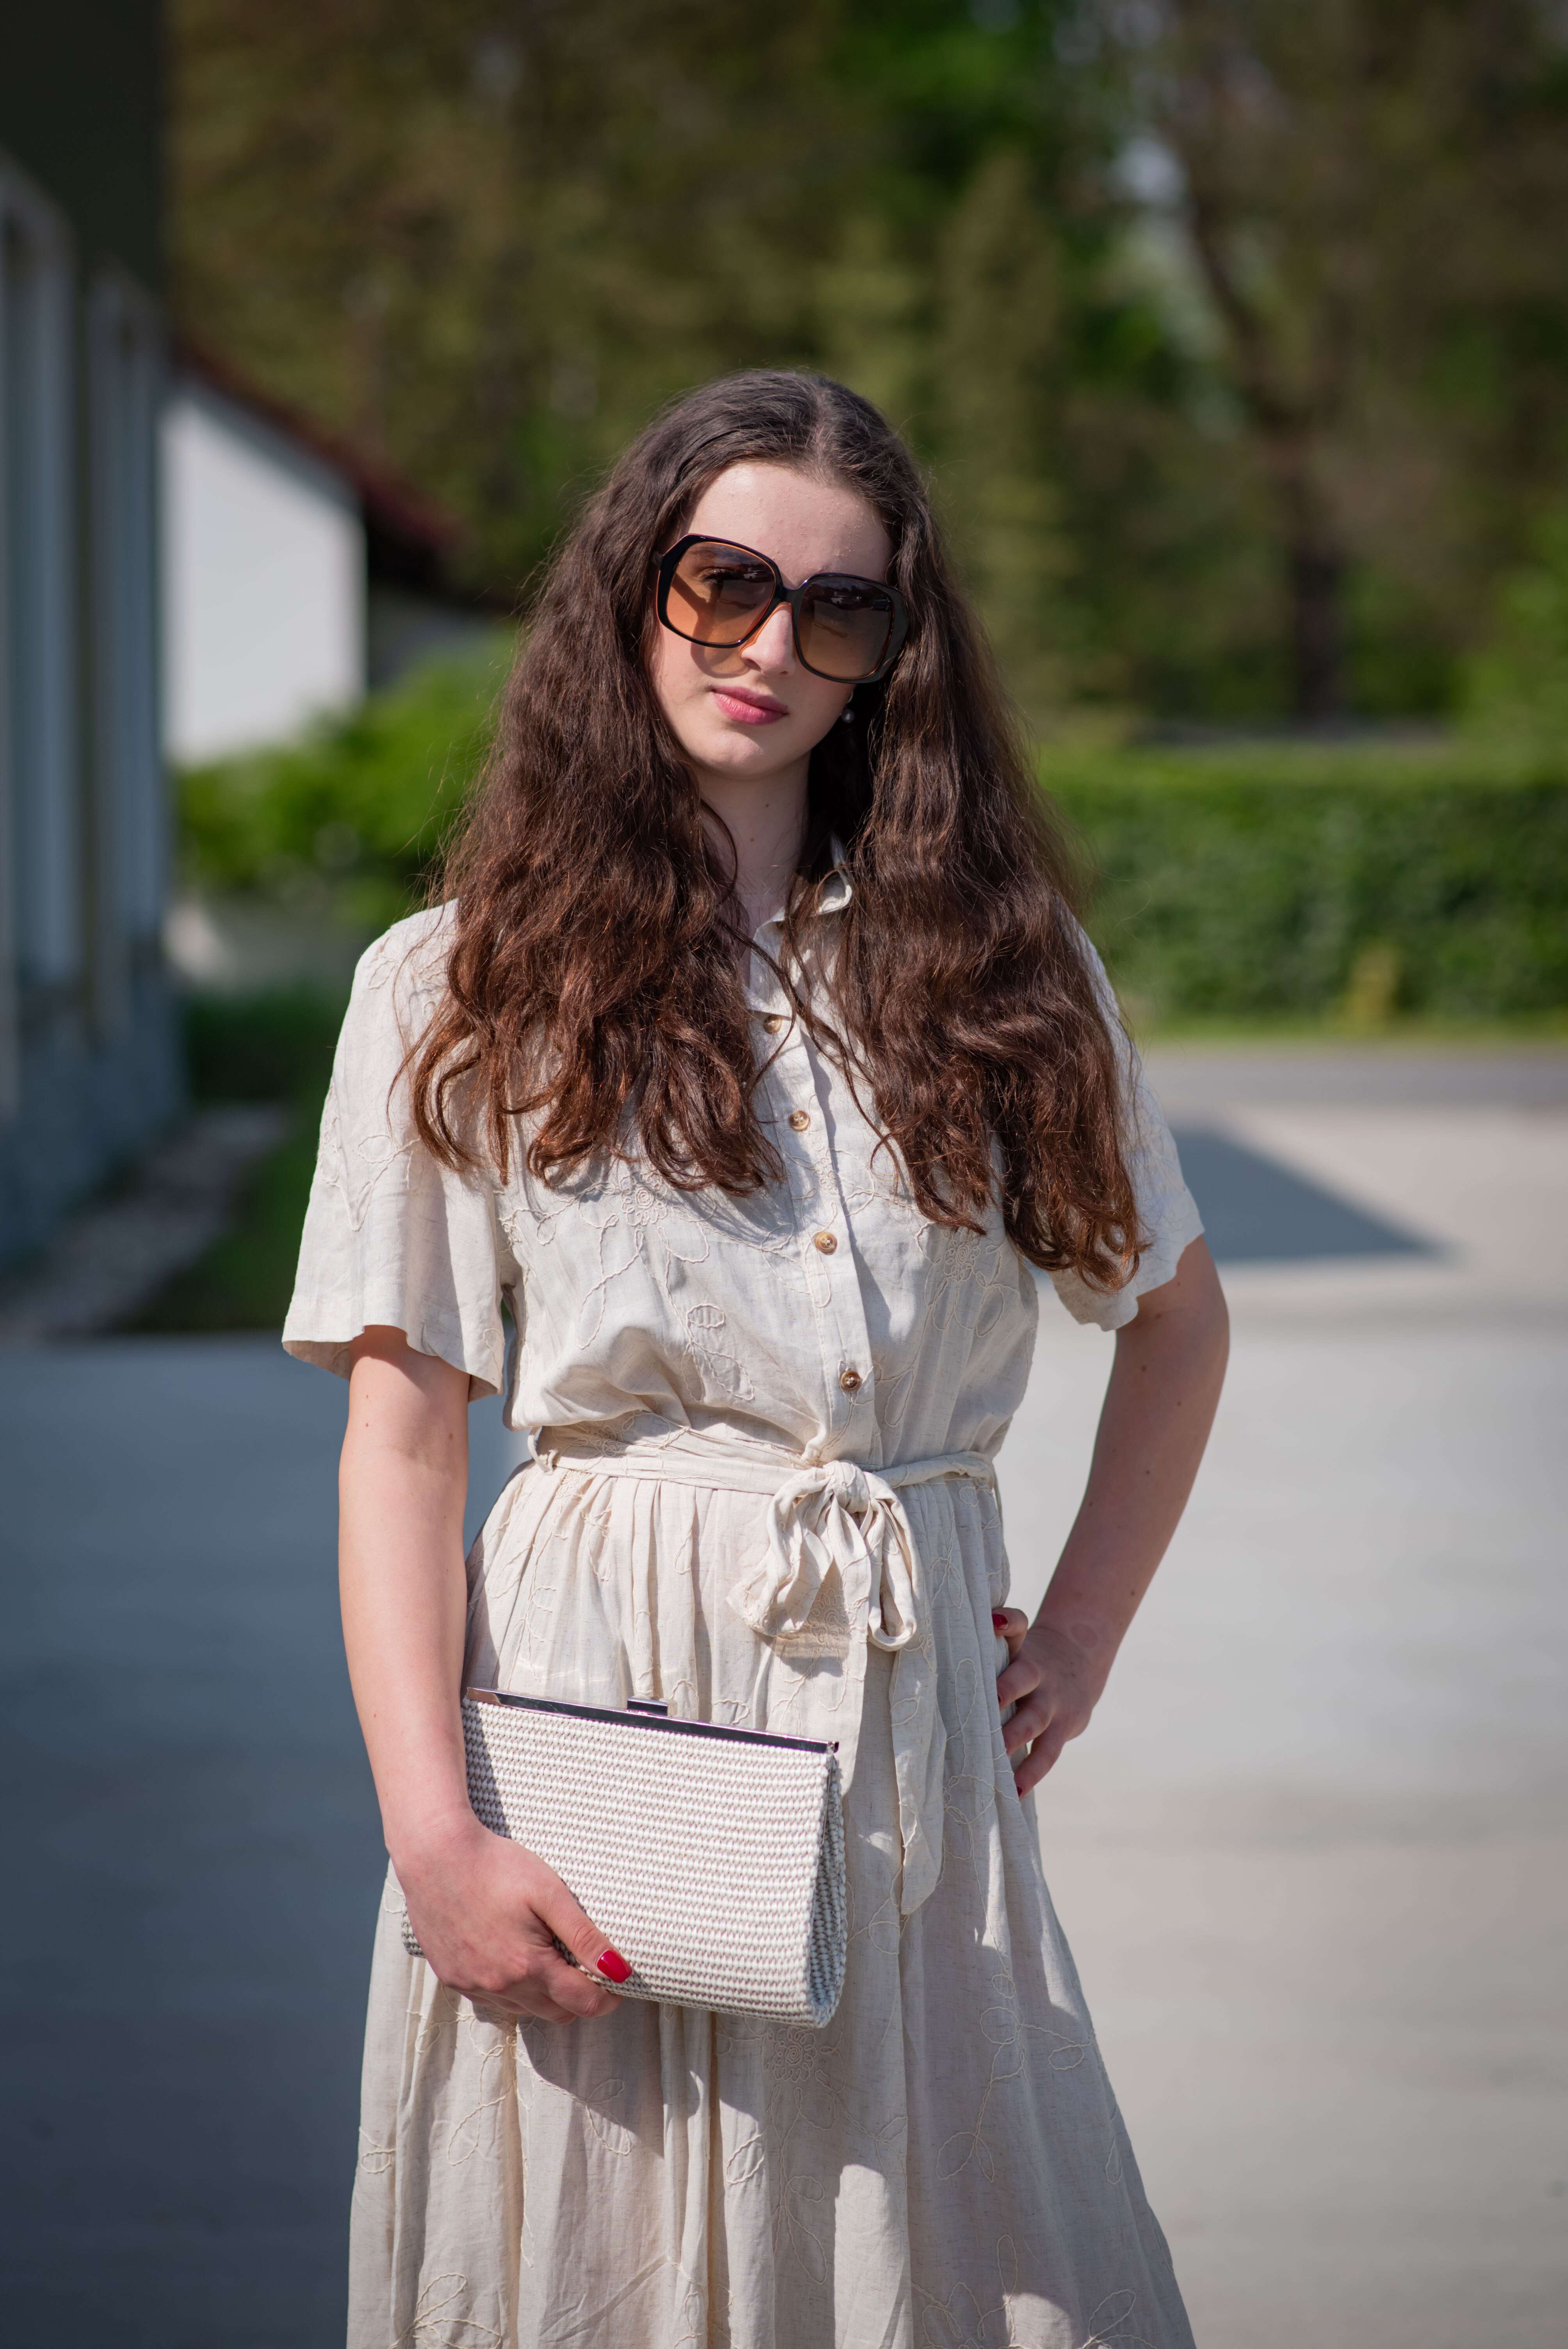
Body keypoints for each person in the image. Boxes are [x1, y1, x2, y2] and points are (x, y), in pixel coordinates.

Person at [284, 368, 1228, 2349]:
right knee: (599, 2268)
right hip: (590, 1723)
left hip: (909, 1744)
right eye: (723, 582)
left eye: (838, 609)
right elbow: (403, 1446)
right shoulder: (451, 983)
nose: (770, 645)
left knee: (958, 2260)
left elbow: (1172, 1319)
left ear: (891, 656)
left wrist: (1077, 1634)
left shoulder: (1002, 973)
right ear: (636, 586)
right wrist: (432, 1832)